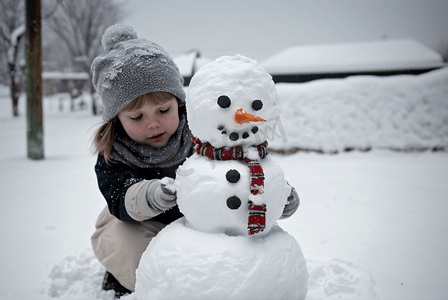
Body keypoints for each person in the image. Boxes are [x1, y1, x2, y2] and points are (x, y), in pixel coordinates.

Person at [90, 24, 193, 298]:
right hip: (135, 223)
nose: (153, 123)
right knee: (129, 247)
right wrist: (150, 195)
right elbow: (119, 194)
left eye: (163, 109)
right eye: (137, 117)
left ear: (179, 102)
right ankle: (130, 278)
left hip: (195, 222)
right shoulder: (115, 152)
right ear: (117, 119)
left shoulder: (201, 134)